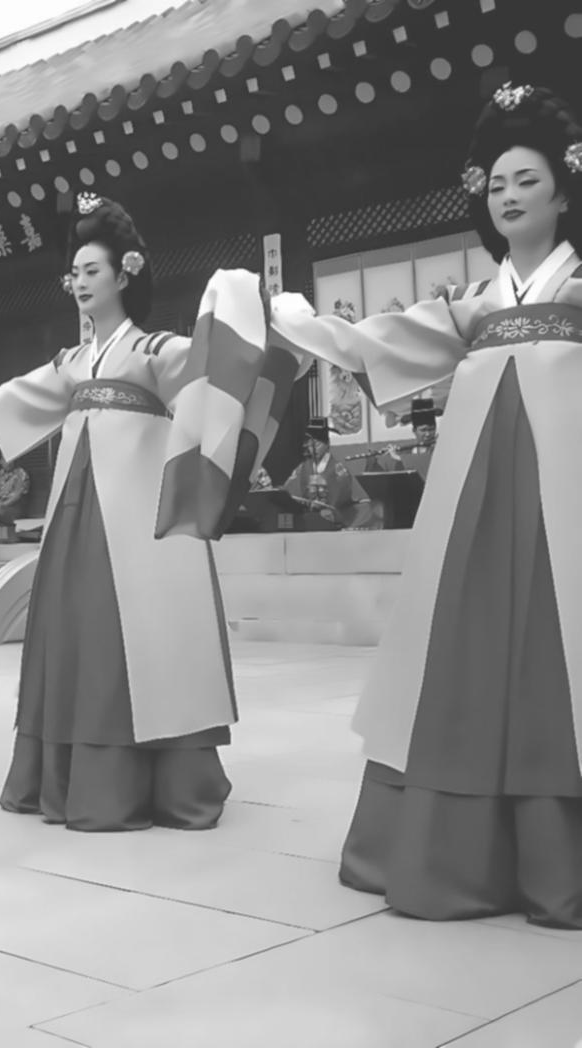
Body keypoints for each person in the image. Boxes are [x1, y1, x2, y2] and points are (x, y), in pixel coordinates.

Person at [270, 83, 582, 927]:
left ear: (563, 187)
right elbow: (377, 340)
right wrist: (294, 318)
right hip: (477, 512)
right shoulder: (475, 307)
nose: (509, 196)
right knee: (466, 656)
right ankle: (457, 849)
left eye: (526, 179)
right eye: (496, 185)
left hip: (569, 506)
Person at [0, 194, 245, 831]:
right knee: (77, 633)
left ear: (125, 274)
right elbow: (7, 402)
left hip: (138, 519)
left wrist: (232, 306)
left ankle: (152, 773)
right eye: (73, 273)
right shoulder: (69, 364)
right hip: (76, 517)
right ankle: (76, 771)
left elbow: (213, 372)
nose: (78, 283)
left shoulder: (157, 351)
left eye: (91, 271)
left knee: (138, 635)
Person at [283, 418, 358, 526]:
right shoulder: (303, 468)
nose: (313, 449)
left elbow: (344, 498)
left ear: (327, 444)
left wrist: (333, 511)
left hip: (332, 517)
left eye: (317, 445)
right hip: (308, 516)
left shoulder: (338, 469)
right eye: (309, 446)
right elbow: (290, 491)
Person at [364, 397, 441, 479]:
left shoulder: (439, 448)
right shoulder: (407, 452)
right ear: (414, 430)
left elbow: (428, 462)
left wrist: (399, 458)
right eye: (423, 430)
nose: (428, 434)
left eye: (431, 429)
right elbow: (391, 480)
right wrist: (373, 462)